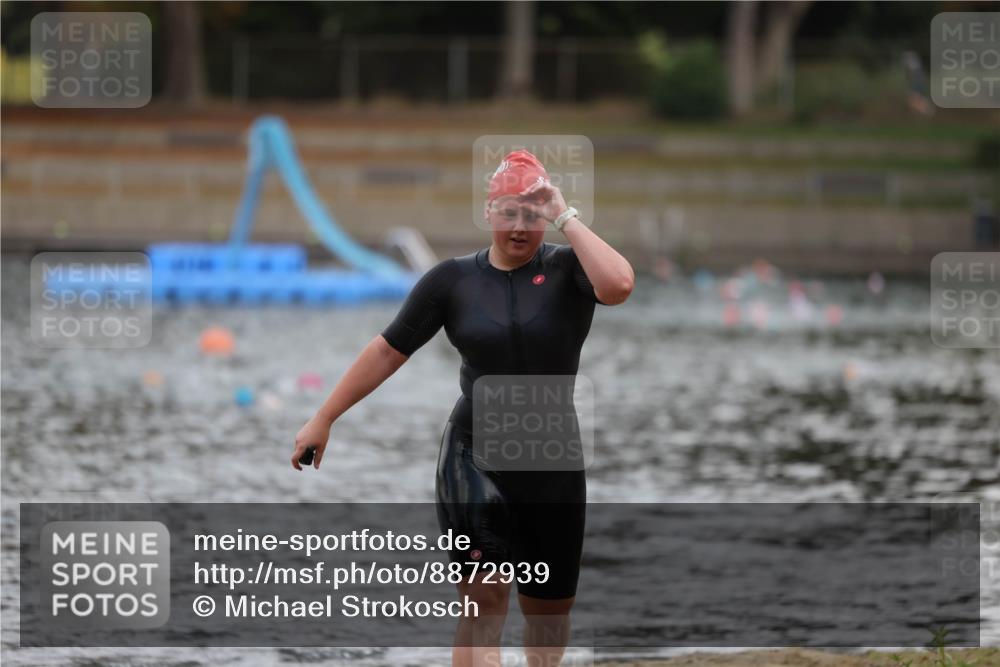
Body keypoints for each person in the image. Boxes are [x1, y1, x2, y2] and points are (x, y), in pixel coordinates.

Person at [292, 149, 634, 666]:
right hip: (475, 454)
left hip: (553, 462)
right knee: (485, 596)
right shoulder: (452, 281)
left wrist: (565, 214)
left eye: (533, 215)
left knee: (549, 614)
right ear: (489, 212)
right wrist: (324, 417)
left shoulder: (570, 270)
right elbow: (388, 349)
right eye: (508, 213)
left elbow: (620, 285)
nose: (520, 227)